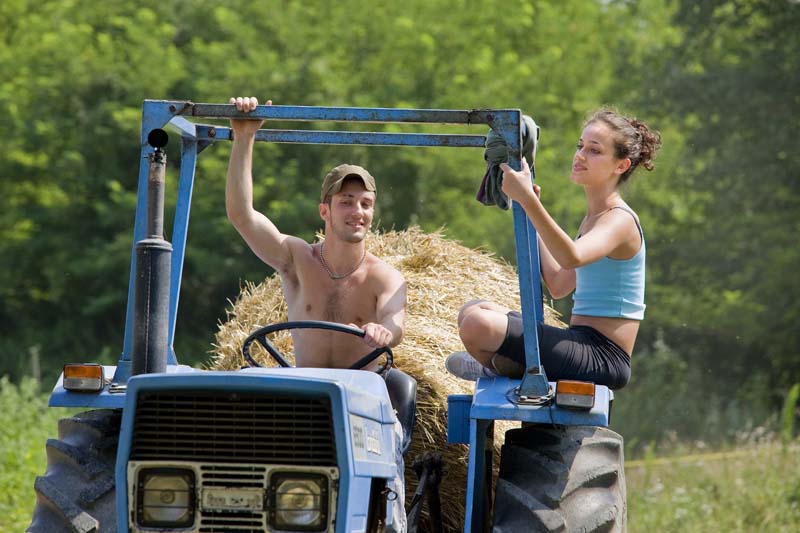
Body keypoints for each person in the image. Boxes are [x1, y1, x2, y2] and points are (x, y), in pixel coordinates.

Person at [226, 96, 408, 531]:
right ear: (325, 210)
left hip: (359, 401)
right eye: (346, 202)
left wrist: (383, 332)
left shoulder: (385, 277)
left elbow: (395, 322)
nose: (357, 212)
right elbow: (241, 215)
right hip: (302, 395)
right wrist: (244, 138)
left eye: (364, 203)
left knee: (387, 456)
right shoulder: (295, 258)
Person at [447, 108, 662, 389]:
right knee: (472, 310)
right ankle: (501, 364)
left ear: (621, 165)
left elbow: (570, 257)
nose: (580, 155)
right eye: (580, 146)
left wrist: (530, 202)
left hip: (604, 356)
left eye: (594, 151)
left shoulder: (619, 220)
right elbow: (559, 283)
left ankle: (495, 366)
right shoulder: (593, 219)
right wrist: (528, 208)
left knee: (477, 324)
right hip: (580, 342)